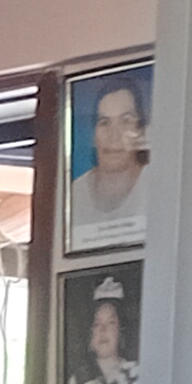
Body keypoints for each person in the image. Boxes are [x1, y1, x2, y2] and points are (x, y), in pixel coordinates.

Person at [66, 73, 148, 254]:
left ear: (141, 131)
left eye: (126, 121)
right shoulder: (74, 195)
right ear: (94, 135)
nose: (114, 135)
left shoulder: (159, 188)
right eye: (104, 122)